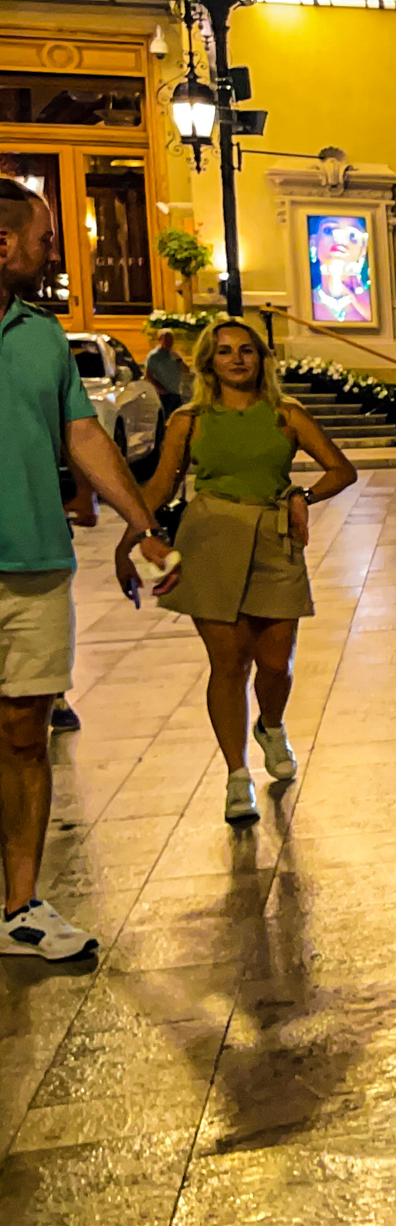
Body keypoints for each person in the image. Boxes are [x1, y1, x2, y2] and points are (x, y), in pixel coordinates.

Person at [0, 180, 175, 956]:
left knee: (24, 733)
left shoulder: (42, 337)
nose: (52, 254)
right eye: (43, 238)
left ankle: (21, 907)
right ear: (2, 243)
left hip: (35, 561)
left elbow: (84, 439)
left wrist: (145, 525)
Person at [126, 321, 357, 822]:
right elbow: (162, 483)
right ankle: (236, 776)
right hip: (209, 538)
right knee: (228, 664)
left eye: (246, 350)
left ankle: (270, 725)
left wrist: (302, 495)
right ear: (209, 361)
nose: (237, 359)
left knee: (275, 662)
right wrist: (135, 533)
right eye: (226, 352)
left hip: (274, 537)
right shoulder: (190, 420)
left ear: (261, 358)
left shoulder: (285, 416)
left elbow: (342, 469)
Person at [144, 326, 189, 433]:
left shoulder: (173, 355)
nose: (169, 342)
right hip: (163, 394)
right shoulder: (155, 356)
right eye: (166, 339)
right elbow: (148, 375)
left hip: (176, 392)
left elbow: (186, 370)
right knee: (166, 421)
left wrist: (179, 359)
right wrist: (160, 388)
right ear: (160, 340)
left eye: (171, 339)